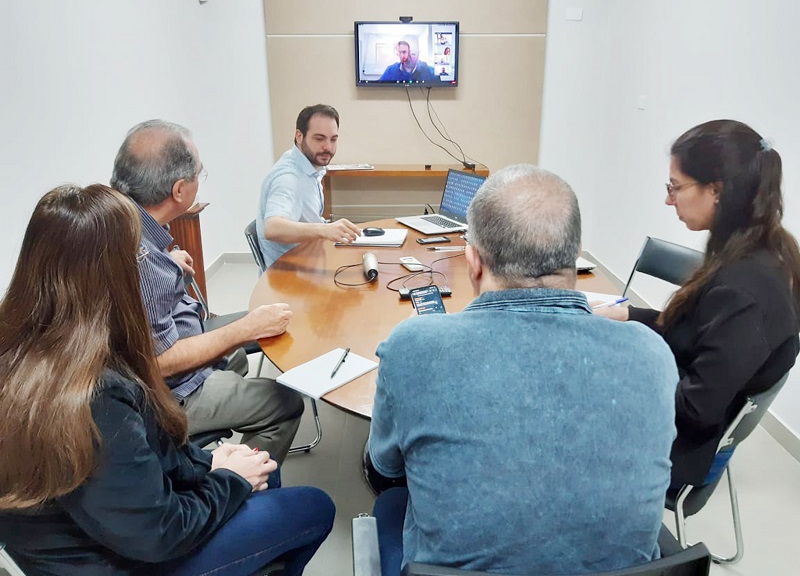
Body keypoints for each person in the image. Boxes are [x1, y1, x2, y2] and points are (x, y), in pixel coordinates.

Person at [0, 184, 335, 575]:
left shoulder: (31, 345)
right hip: (123, 557)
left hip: (101, 532)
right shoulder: (93, 393)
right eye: (139, 255)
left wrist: (206, 463)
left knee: (263, 470)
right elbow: (160, 532)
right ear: (113, 275)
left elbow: (142, 460)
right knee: (314, 506)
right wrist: (228, 479)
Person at [368, 165, 679, 575]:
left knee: (389, 501)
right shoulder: (652, 354)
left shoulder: (412, 346)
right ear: (576, 253)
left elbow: (386, 466)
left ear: (473, 261)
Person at [595, 119, 800, 488]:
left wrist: (625, 373)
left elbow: (696, 408)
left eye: (675, 186)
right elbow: (699, 329)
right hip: (682, 410)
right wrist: (626, 314)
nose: (668, 198)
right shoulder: (761, 245)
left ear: (716, 190)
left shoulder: (744, 290)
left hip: (679, 448)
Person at [111, 119, 304, 464]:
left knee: (239, 356)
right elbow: (161, 362)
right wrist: (245, 329)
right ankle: (236, 482)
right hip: (171, 394)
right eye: (200, 173)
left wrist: (167, 257)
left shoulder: (117, 221)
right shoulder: (143, 260)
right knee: (286, 403)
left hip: (149, 368)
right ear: (180, 190)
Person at [257, 104, 361, 268]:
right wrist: (324, 230)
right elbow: (272, 228)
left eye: (333, 139)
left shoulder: (305, 163)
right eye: (319, 139)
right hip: (290, 278)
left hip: (309, 260)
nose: (328, 147)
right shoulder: (288, 177)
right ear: (299, 136)